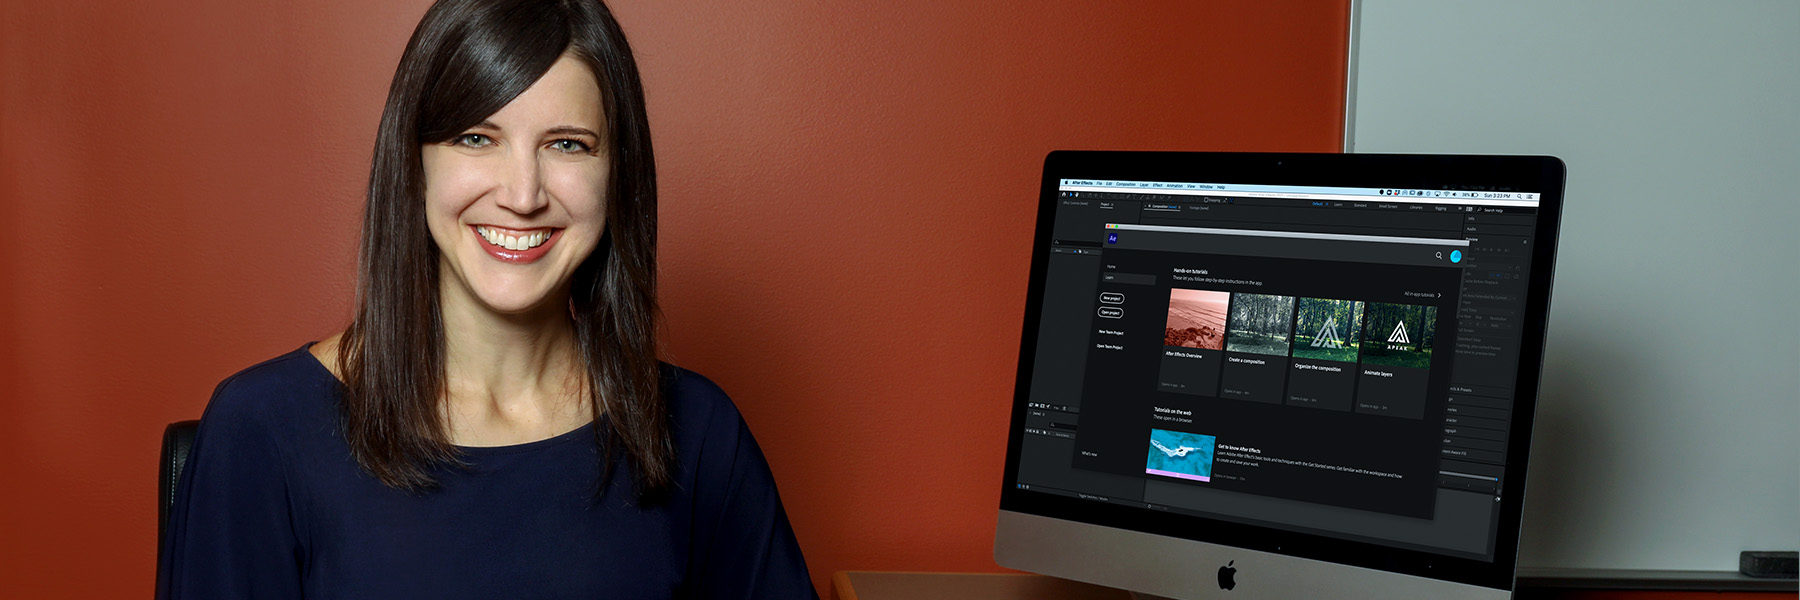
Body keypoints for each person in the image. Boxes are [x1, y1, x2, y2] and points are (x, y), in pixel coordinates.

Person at [155, 0, 817, 597]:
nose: (523, 194)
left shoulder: (698, 431)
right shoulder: (261, 431)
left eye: (567, 144)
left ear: (617, 174)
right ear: (413, 164)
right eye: (477, 138)